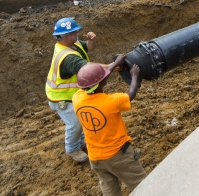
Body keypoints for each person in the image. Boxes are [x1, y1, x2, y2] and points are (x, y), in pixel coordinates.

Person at [73, 57, 147, 195]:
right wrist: (134, 76)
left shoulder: (77, 98)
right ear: (103, 83)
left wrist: (114, 64)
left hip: (95, 157)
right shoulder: (111, 102)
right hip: (118, 155)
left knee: (109, 189)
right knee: (141, 184)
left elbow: (94, 82)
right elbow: (131, 93)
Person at [45, 17, 96, 163]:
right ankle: (72, 148)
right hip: (61, 97)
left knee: (80, 117)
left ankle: (80, 142)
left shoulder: (73, 44)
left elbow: (89, 47)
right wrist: (112, 65)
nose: (78, 33)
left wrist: (92, 41)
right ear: (68, 35)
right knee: (75, 122)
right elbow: (88, 68)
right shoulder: (67, 57)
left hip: (69, 94)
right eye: (75, 32)